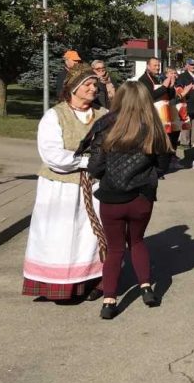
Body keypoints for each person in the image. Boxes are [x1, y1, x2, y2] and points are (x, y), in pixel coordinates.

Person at [22, 64, 107, 302]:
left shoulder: (104, 115)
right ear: (73, 88)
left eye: (94, 84)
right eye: (88, 85)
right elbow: (52, 155)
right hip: (61, 189)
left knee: (91, 238)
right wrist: (86, 161)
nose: (94, 88)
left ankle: (93, 282)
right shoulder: (54, 116)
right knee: (62, 237)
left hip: (95, 186)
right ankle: (59, 286)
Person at [85, 81, 169, 319]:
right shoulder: (153, 126)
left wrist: (107, 173)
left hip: (111, 197)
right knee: (138, 241)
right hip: (141, 196)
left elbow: (95, 166)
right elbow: (163, 165)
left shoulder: (105, 125)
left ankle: (109, 301)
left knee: (114, 249)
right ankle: (146, 287)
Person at [138, 57, 177, 175]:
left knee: (160, 144)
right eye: (155, 65)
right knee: (151, 144)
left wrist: (170, 87)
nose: (157, 68)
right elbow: (149, 97)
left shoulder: (158, 78)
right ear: (148, 66)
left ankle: (159, 168)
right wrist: (164, 87)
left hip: (162, 116)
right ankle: (151, 168)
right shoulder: (143, 80)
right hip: (150, 116)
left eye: (158, 66)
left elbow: (169, 97)